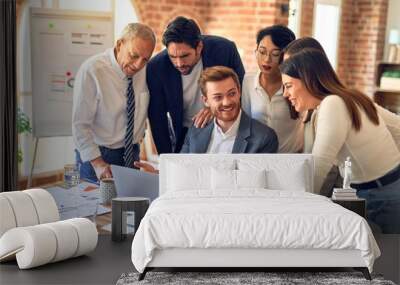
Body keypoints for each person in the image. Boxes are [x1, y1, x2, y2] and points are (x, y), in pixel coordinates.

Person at [280, 48, 400, 234]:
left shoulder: (333, 104)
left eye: (288, 86)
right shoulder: (350, 97)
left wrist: (294, 211)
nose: (286, 95)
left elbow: (320, 165)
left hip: (382, 197)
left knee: (386, 260)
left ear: (307, 80)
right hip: (380, 192)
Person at [135, 66, 278, 172]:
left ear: (239, 92)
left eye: (231, 94)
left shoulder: (264, 137)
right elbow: (180, 170)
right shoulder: (197, 130)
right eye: (218, 97)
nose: (227, 102)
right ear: (206, 101)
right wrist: (157, 174)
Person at [146, 16, 245, 154]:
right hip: (186, 132)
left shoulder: (225, 50)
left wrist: (215, 108)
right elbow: (158, 119)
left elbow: (242, 92)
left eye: (185, 56)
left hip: (226, 127)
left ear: (199, 47)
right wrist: (166, 159)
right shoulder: (156, 67)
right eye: (173, 57)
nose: (179, 63)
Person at [72, 23, 156, 182]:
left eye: (145, 59)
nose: (138, 65)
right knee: (97, 206)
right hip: (98, 155)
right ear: (119, 44)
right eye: (133, 55)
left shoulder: (146, 70)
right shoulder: (92, 70)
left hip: (132, 153)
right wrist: (98, 163)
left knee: (130, 204)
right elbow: (80, 125)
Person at [241, 25, 303, 153]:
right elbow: (244, 126)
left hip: (290, 160)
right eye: (262, 52)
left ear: (286, 56)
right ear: (256, 51)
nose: (267, 59)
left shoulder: (297, 84)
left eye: (275, 54)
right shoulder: (247, 82)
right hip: (257, 158)